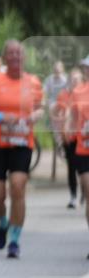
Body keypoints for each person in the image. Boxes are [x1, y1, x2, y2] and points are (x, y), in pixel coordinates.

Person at [0, 40, 44, 259]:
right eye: (11, 53)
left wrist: (34, 116)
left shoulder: (33, 82)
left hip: (21, 143)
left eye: (18, 53)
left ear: (24, 57)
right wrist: (0, 117)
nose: (15, 57)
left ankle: (14, 239)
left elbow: (40, 109)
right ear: (4, 58)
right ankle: (4, 223)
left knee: (18, 187)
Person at [64, 56, 89, 258]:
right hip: (84, 148)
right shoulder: (78, 92)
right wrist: (66, 129)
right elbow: (71, 118)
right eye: (86, 68)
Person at [54, 67, 85, 209]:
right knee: (71, 167)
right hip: (69, 138)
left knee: (83, 169)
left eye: (76, 79)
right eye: (71, 79)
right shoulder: (63, 95)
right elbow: (56, 112)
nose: (74, 82)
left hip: (83, 138)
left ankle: (84, 193)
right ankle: (73, 196)